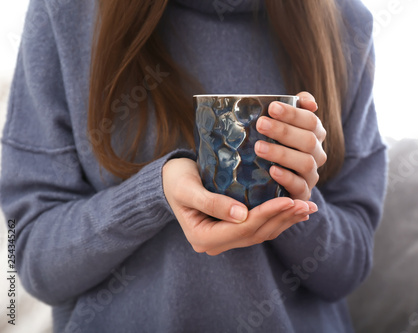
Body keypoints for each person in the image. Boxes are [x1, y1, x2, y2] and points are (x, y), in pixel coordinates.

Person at [0, 0, 387, 332]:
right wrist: (153, 195)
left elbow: (350, 267)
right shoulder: (66, 12)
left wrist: (286, 193)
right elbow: (33, 257)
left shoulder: (344, 22)